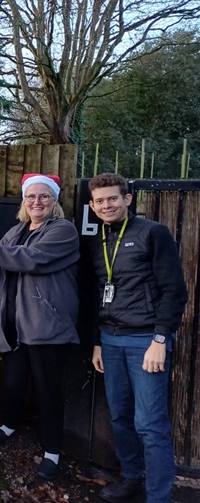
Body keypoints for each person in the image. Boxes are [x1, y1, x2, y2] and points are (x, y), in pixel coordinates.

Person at [0, 173, 80, 480]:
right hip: (13, 326)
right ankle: (10, 423)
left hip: (47, 327)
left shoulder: (64, 231)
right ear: (24, 202)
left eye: (44, 197)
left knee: (47, 391)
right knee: (14, 384)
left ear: (54, 202)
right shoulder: (15, 231)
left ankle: (52, 451)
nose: (37, 202)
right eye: (31, 197)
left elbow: (30, 260)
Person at [86, 173, 187, 503]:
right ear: (92, 205)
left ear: (127, 199)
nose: (106, 205)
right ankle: (132, 477)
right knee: (119, 417)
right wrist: (98, 341)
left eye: (112, 198)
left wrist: (160, 340)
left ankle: (159, 497)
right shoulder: (97, 238)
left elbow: (175, 291)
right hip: (110, 341)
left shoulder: (153, 233)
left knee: (150, 424)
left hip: (146, 341)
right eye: (99, 201)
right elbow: (97, 292)